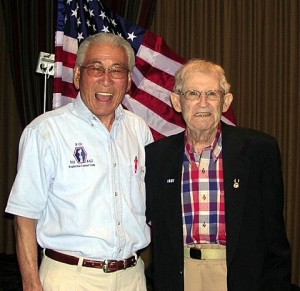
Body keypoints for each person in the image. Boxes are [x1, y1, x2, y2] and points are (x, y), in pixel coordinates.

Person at [5, 32, 153, 291]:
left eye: (117, 70)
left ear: (128, 81)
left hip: (132, 278)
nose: (106, 80)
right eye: (96, 68)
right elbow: (24, 217)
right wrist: (31, 284)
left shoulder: (139, 130)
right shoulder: (46, 132)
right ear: (77, 75)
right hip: (71, 278)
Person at [145, 59, 291, 291]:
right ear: (177, 101)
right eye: (193, 93)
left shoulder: (259, 151)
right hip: (181, 276)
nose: (203, 103)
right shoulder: (156, 157)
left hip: (241, 278)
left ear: (226, 102)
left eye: (212, 93)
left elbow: (275, 237)